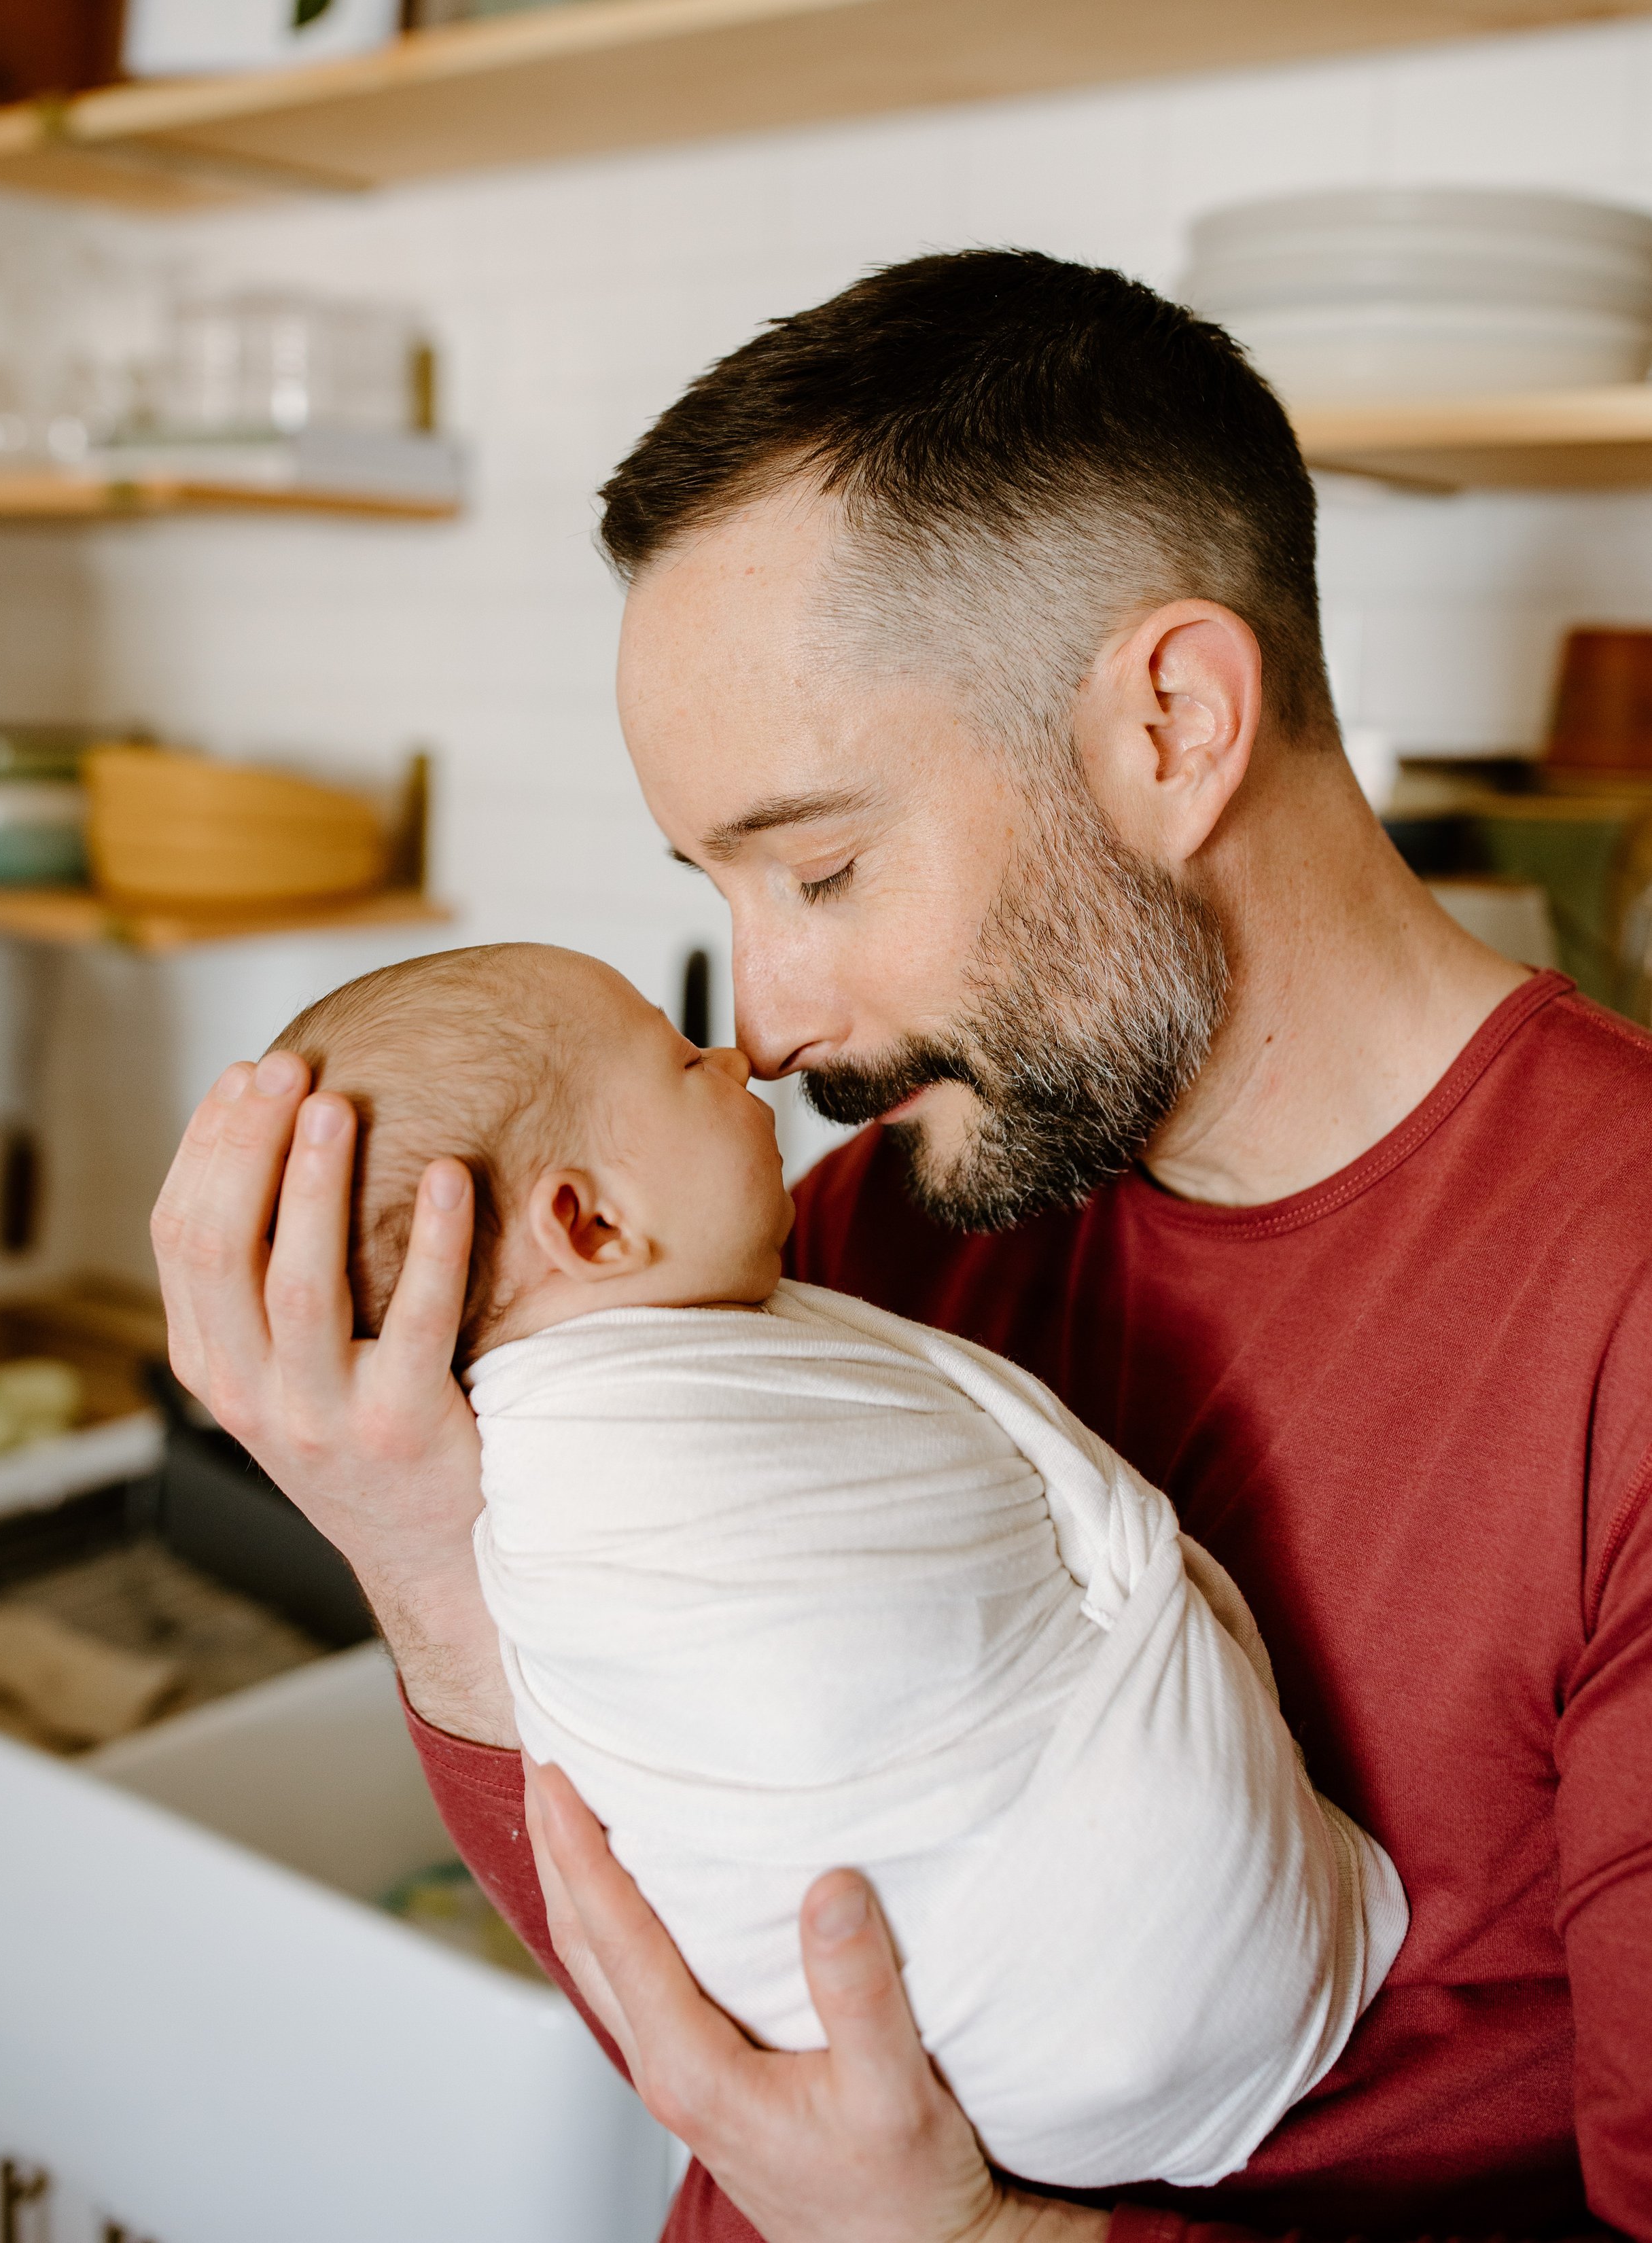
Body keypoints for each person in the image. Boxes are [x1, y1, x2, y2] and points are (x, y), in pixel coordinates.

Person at [152, 253, 1652, 2243]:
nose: (765, 1023)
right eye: (718, 887)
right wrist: (419, 1541)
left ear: (1174, 722)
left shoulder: (1612, 1299)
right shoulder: (852, 1242)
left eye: (826, 865)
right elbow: (714, 2021)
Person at [266, 940, 1406, 2192]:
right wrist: (423, 1552)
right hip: (1096, 1994)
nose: (746, 1045)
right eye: (682, 1059)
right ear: (589, 1225)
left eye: (824, 868)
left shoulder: (792, 1279)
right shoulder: (596, 1470)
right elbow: (687, 1998)